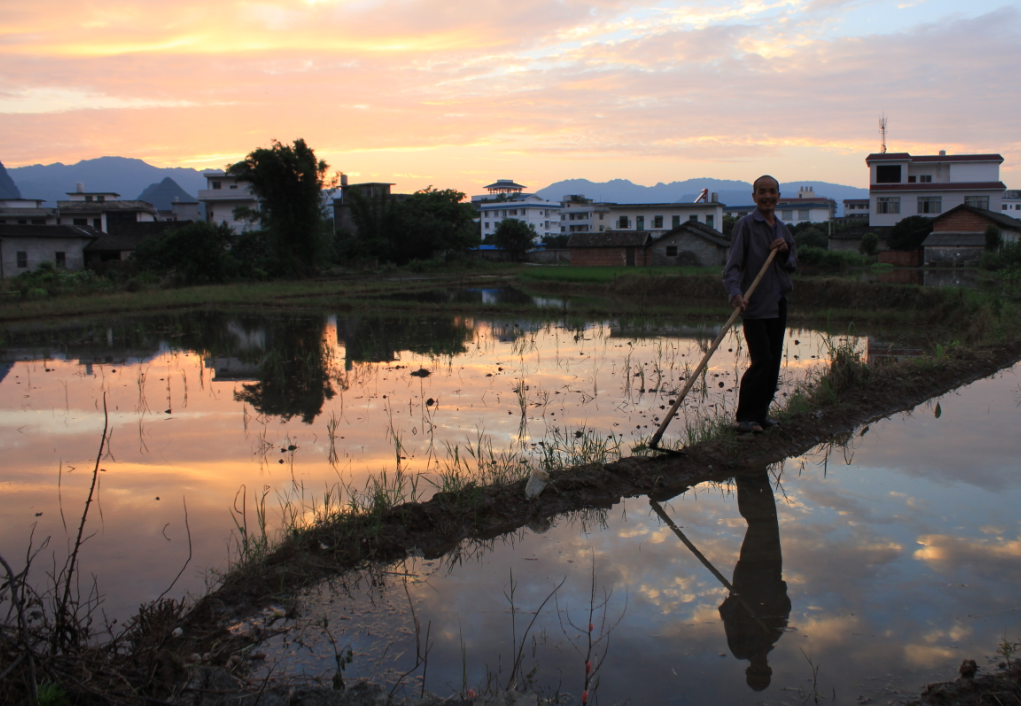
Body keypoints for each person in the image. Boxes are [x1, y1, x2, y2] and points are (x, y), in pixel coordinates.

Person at [722, 175, 797, 435]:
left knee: (773, 361)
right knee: (762, 360)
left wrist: (785, 249)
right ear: (754, 197)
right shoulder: (745, 225)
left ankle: (761, 416)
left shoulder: (783, 229)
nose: (768, 196)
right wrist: (736, 294)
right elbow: (732, 266)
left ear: (779, 196)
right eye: (762, 192)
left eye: (772, 192)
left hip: (777, 302)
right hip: (753, 304)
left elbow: (792, 265)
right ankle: (744, 418)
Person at [718, 471, 791, 691]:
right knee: (767, 521)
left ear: (749, 669)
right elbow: (785, 604)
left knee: (760, 524)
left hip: (749, 575)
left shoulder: (741, 648)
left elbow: (727, 614)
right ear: (769, 669)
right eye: (763, 671)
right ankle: (755, 475)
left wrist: (736, 599)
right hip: (770, 570)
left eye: (756, 672)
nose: (760, 667)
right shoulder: (772, 636)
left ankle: (747, 476)